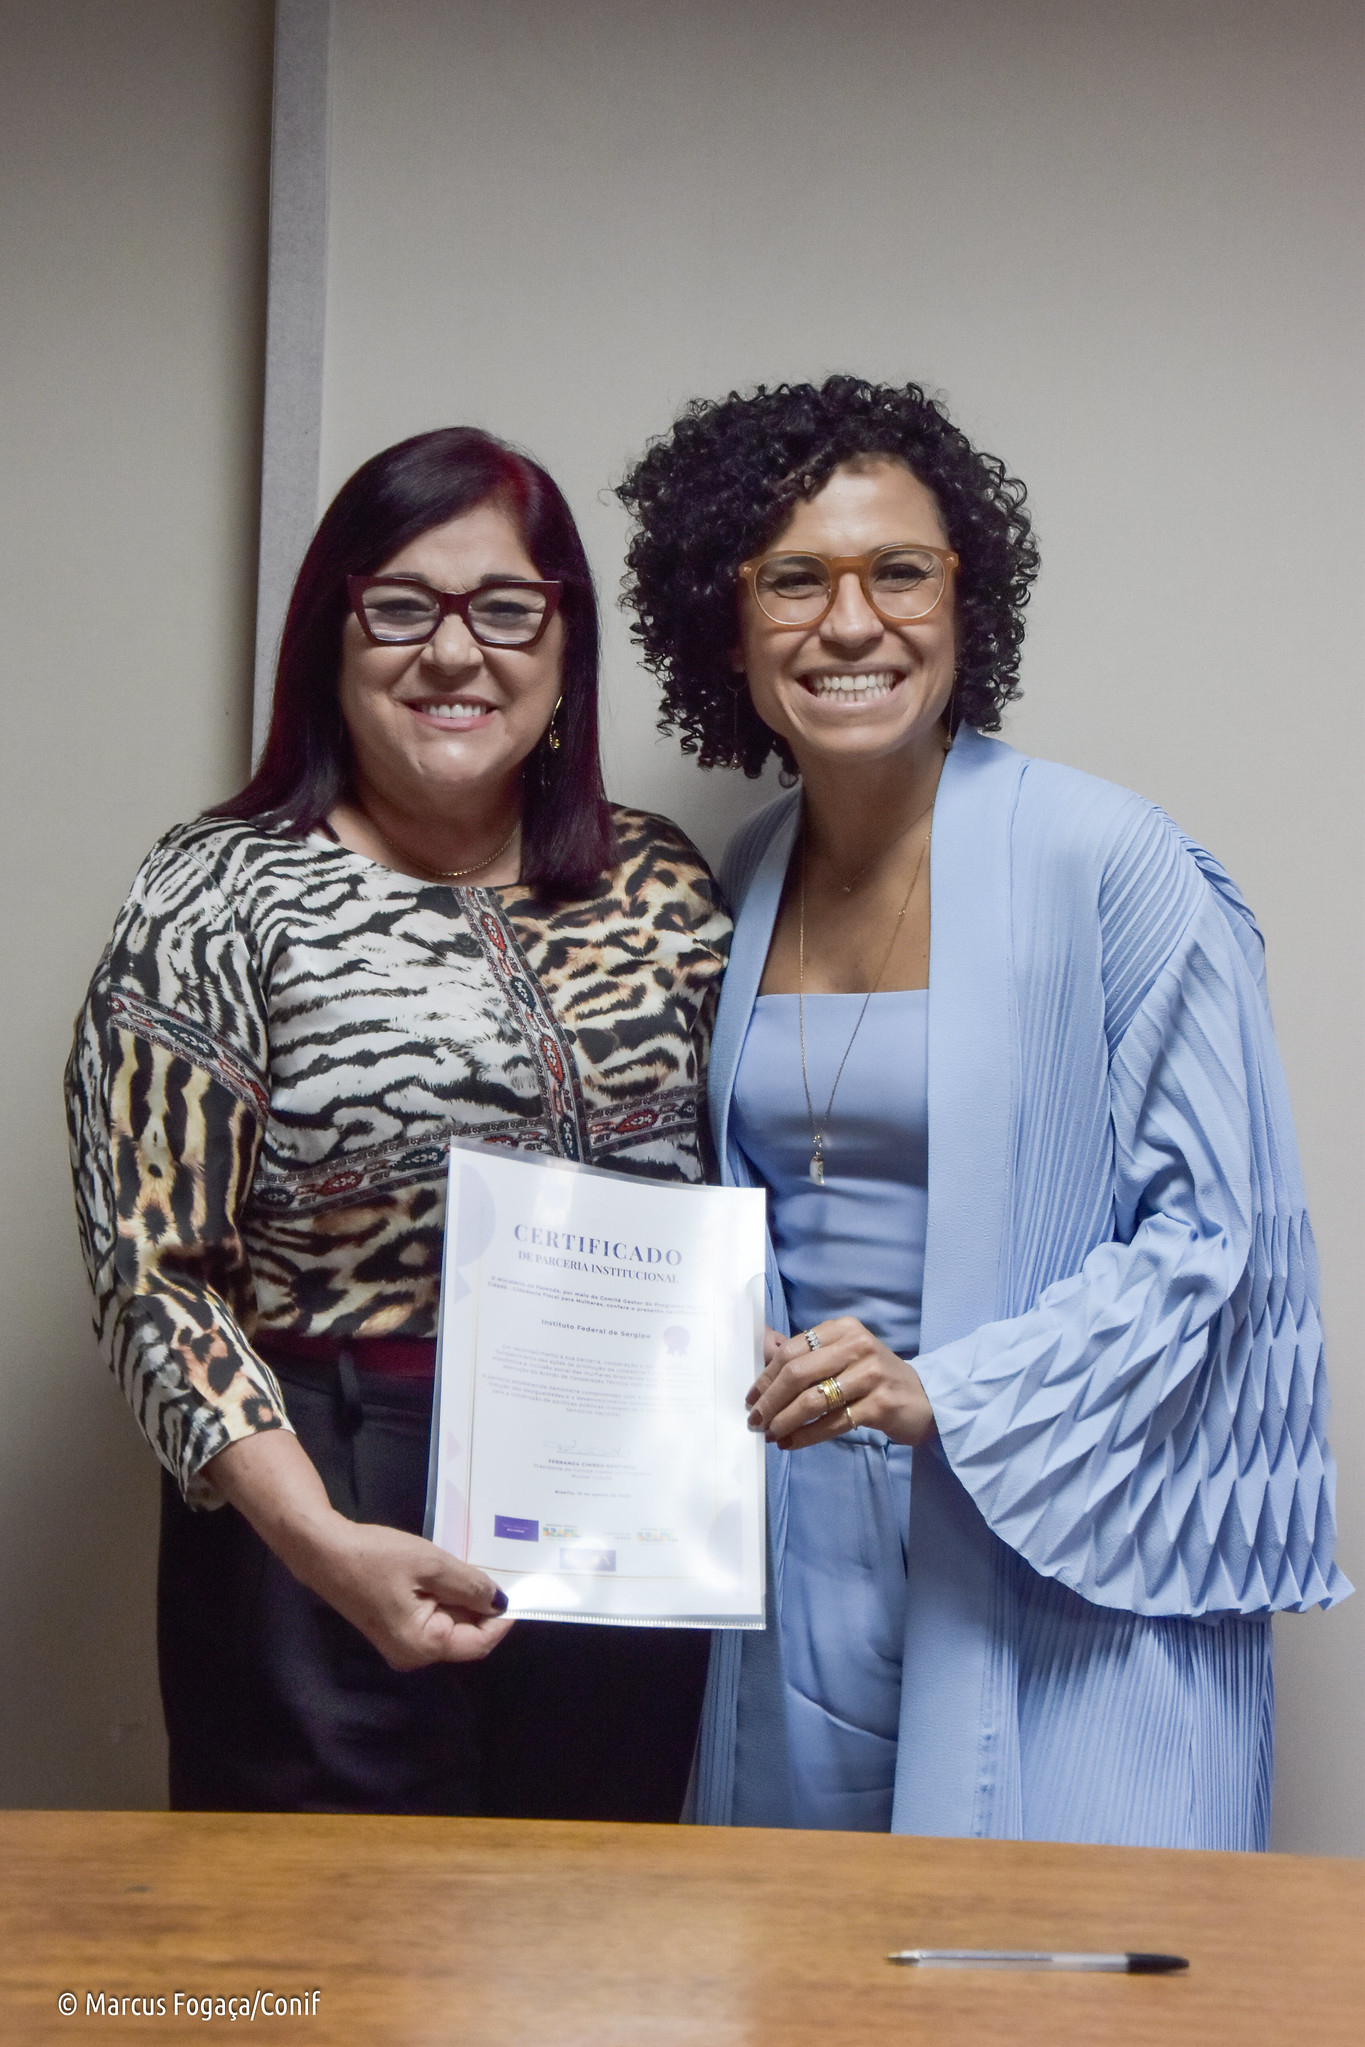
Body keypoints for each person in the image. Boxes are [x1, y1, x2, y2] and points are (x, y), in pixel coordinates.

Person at [616, 376, 1349, 1846]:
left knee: (1040, 1951)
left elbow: (1215, 1237)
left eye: (898, 571)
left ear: (966, 601)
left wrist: (951, 1391)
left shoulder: (1109, 861)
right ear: (723, 621)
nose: (851, 624)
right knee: (797, 1949)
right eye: (793, 580)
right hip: (799, 1550)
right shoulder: (741, 877)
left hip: (1045, 1526)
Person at [67, 426, 730, 1817]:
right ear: (332, 635)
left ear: (565, 646)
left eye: (506, 609)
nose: (454, 652)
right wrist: (317, 1540)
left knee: (594, 1922)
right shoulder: (217, 893)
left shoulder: (661, 883)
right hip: (327, 1490)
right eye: (402, 607)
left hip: (622, 1508)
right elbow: (150, 1271)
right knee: (322, 1934)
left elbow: (745, 1186)